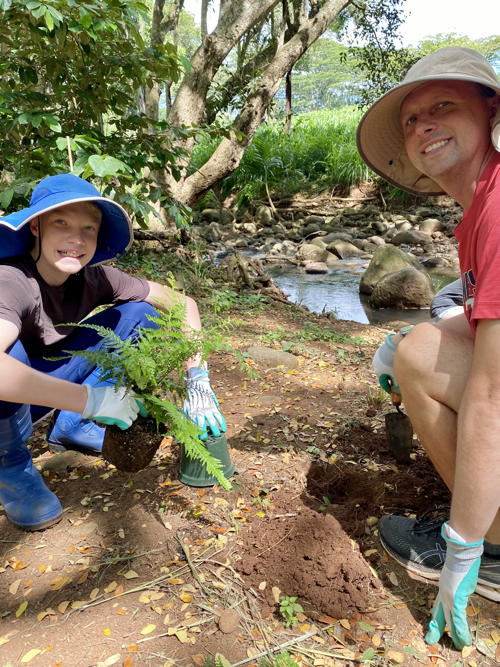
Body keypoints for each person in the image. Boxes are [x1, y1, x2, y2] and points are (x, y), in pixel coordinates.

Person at [357, 47, 500, 649]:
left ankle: (489, 552)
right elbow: (483, 322)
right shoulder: (478, 209)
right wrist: (403, 343)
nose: (423, 127)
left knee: (420, 352)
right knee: (415, 343)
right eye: (413, 119)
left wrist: (463, 551)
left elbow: (493, 394)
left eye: (444, 106)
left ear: (490, 111)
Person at [0, 173, 226, 532]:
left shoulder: (95, 279)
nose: (77, 239)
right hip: (9, 396)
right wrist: (90, 399)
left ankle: (74, 426)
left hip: (47, 382)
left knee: (142, 312)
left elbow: (183, 304)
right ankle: (12, 468)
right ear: (36, 228)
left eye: (89, 228)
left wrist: (197, 378)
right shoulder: (10, 280)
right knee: (7, 351)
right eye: (61, 223)